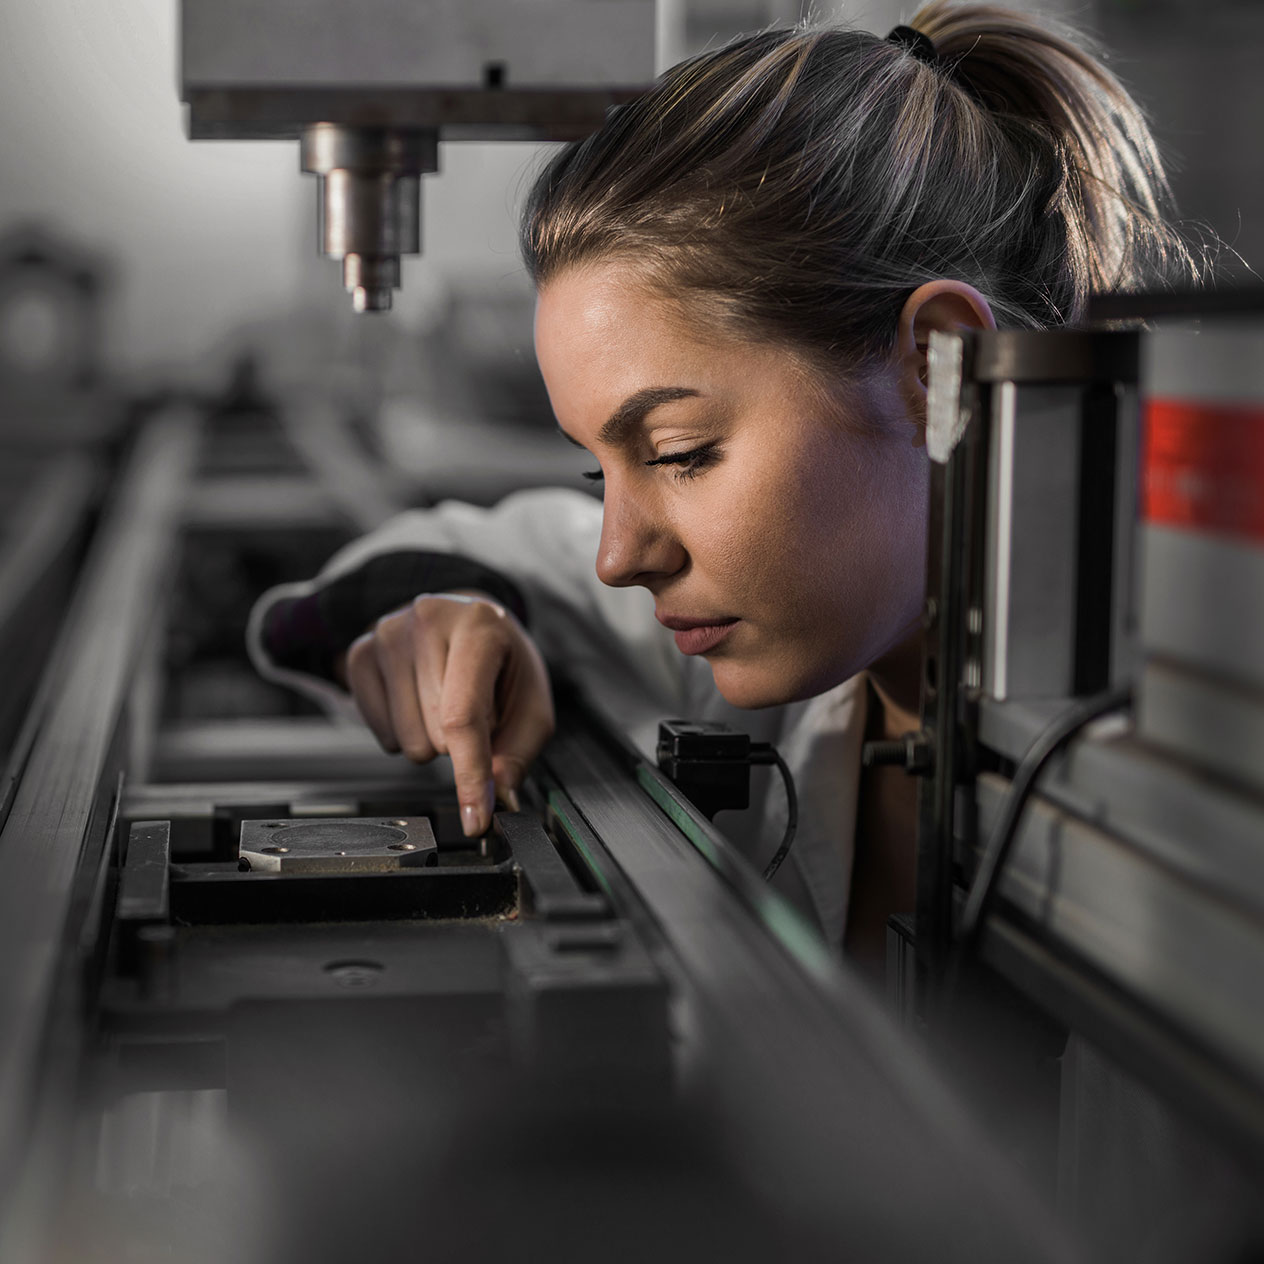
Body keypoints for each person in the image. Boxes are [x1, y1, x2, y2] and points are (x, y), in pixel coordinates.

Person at [248, 1, 1197, 973]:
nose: (620, 556)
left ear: (937, 362)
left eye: (677, 451)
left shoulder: (1206, 796)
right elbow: (348, 603)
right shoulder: (757, 663)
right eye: (596, 466)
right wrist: (455, 620)